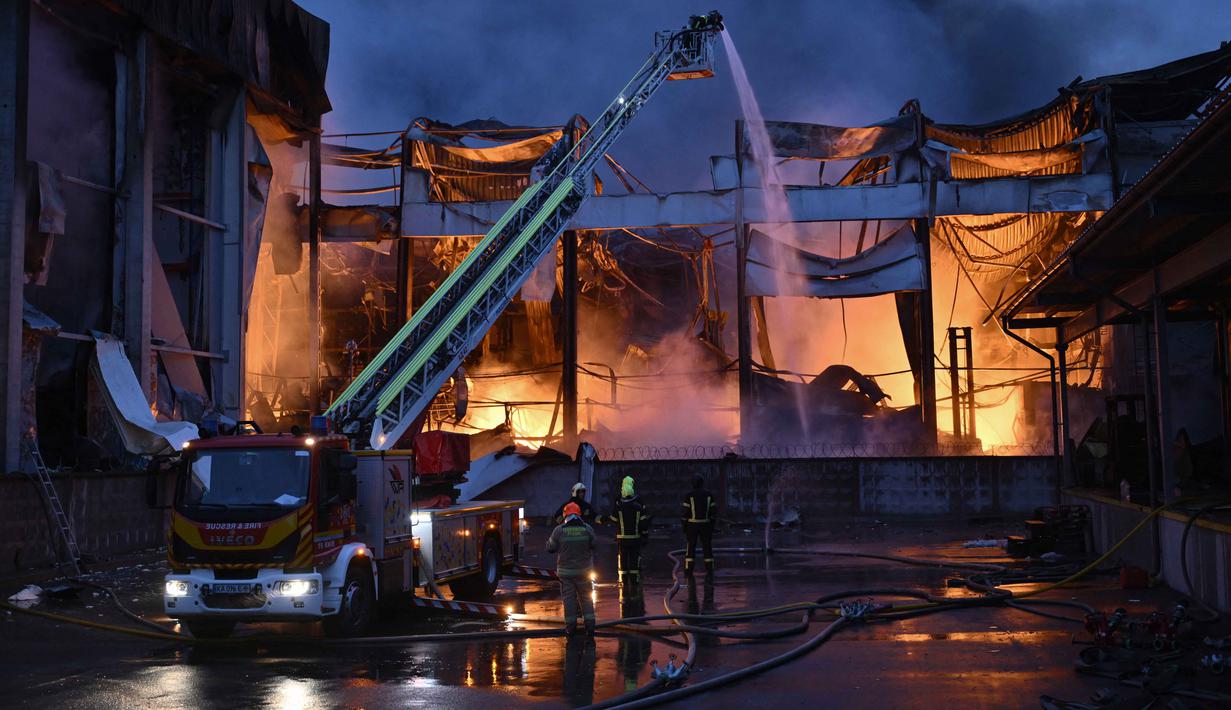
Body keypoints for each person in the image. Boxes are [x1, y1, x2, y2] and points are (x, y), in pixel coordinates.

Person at [546, 502, 597, 637]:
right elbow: (594, 544)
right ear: (579, 514)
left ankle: (570, 628)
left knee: (569, 599)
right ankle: (590, 626)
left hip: (566, 573)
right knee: (586, 598)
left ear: (565, 515)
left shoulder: (559, 530)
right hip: (584, 572)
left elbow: (550, 548)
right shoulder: (587, 529)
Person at [604, 476, 650, 590]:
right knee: (634, 560)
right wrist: (645, 535)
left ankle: (623, 581)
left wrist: (601, 519)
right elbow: (643, 524)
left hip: (622, 539)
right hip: (635, 539)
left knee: (623, 560)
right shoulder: (638, 507)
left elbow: (613, 520)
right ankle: (635, 581)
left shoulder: (618, 507)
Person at [681, 475, 715, 575]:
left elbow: (685, 513)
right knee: (707, 547)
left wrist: (684, 526)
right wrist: (711, 526)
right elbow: (713, 512)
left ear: (693, 484)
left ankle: (688, 570)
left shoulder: (689, 495)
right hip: (705, 525)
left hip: (692, 525)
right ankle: (710, 569)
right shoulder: (709, 495)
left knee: (691, 547)